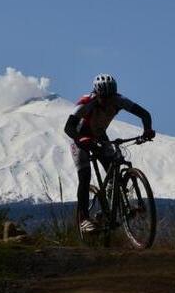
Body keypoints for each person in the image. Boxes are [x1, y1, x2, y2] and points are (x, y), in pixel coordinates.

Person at [64, 73, 155, 232]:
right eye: (103, 98)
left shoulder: (119, 101)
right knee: (85, 176)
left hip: (99, 136)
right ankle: (83, 219)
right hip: (80, 138)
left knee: (114, 171)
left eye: (110, 97)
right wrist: (81, 139)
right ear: (96, 94)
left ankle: (108, 210)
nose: (107, 102)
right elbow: (68, 128)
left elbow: (144, 114)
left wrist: (147, 130)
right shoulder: (86, 102)